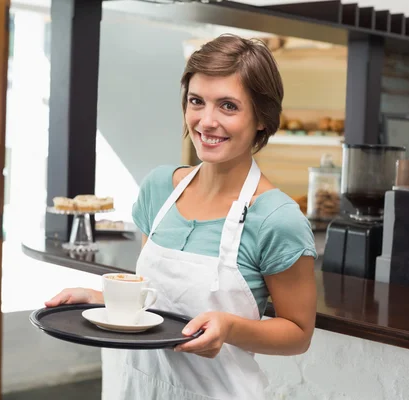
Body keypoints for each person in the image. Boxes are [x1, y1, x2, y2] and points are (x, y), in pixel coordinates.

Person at [46, 34, 317, 399]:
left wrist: (230, 328)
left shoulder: (276, 218)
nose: (206, 121)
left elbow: (298, 333)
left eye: (228, 106)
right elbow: (157, 303)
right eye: (196, 101)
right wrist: (96, 297)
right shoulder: (159, 188)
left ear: (262, 119)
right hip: (138, 390)